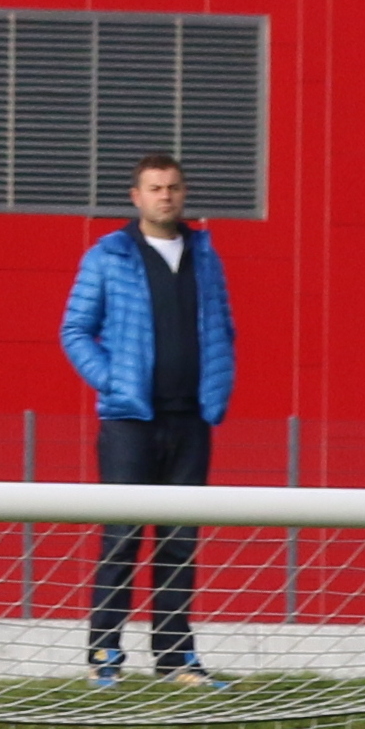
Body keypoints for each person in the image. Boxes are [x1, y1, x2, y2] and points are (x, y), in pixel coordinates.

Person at [60, 153, 236, 689]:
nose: (166, 196)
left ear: (184, 194)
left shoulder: (206, 256)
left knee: (179, 541)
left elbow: (223, 326)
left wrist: (218, 385)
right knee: (122, 536)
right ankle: (104, 655)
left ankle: (176, 659)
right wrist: (113, 381)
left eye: (174, 187)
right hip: (130, 423)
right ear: (136, 197)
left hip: (190, 420)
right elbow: (75, 330)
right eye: (156, 188)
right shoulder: (108, 256)